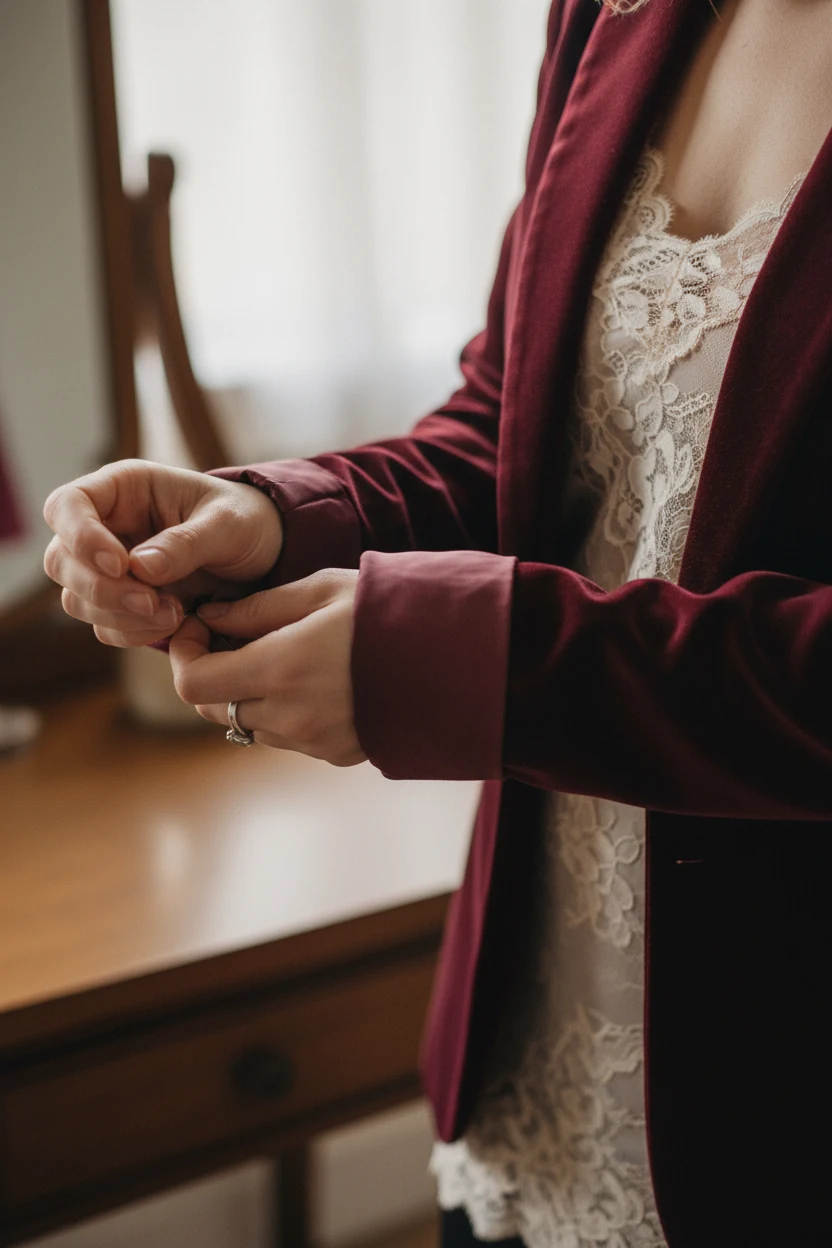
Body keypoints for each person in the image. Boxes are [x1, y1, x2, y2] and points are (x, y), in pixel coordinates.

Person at [43, 0, 832, 1244]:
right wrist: (272, 514)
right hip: (534, 1076)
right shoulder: (613, 13)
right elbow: (511, 418)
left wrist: (469, 660)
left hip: (787, 1119)